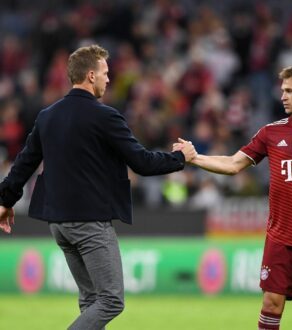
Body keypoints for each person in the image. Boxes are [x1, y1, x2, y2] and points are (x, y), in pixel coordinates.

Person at [0, 44, 196, 330]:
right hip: (89, 221)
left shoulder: (47, 116)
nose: (109, 78)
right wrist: (181, 157)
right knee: (111, 300)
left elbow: (23, 165)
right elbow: (141, 162)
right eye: (105, 72)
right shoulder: (105, 116)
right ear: (91, 76)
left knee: (92, 301)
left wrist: (5, 201)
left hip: (58, 223)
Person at [175, 64, 292, 330]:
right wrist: (195, 158)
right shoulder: (270, 133)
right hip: (281, 236)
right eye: (282, 90)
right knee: (271, 303)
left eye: (289, 90)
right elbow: (232, 164)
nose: (283, 96)